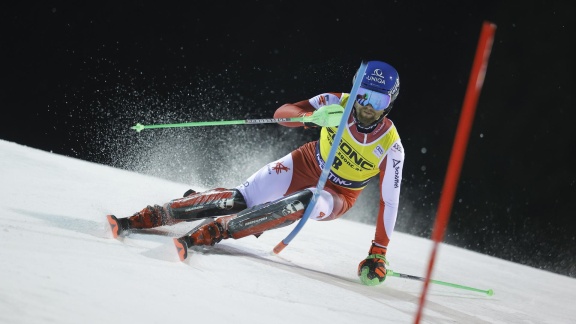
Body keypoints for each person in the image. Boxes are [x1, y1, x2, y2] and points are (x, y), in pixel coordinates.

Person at [107, 60, 404, 286]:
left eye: (377, 101)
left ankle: (215, 231)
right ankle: (149, 216)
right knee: (239, 198)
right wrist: (310, 117)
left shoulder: (391, 147)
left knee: (306, 202)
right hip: (306, 162)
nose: (366, 107)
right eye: (362, 96)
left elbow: (389, 201)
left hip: (337, 194)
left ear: (389, 105)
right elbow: (281, 114)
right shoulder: (334, 102)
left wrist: (378, 252)